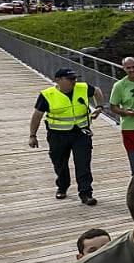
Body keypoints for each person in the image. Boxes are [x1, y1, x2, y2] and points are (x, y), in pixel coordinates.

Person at [29, 68, 105, 205]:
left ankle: (86, 193)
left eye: (75, 78)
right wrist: (32, 135)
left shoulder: (83, 88)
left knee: (83, 163)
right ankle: (62, 186)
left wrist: (99, 107)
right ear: (58, 80)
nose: (74, 82)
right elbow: (37, 116)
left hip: (81, 133)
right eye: (70, 79)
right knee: (60, 164)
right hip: (57, 136)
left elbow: (97, 91)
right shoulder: (47, 95)